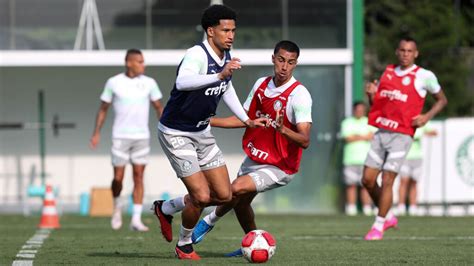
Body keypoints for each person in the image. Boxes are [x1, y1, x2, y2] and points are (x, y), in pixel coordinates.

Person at [150, 5, 267, 260]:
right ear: (210, 31)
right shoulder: (197, 54)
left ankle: (166, 208)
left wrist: (246, 119)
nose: (231, 35)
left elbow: (226, 88)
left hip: (202, 132)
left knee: (225, 195)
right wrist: (218, 75)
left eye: (233, 30)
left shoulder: (226, 55)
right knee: (201, 196)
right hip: (176, 132)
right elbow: (183, 81)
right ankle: (184, 244)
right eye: (226, 30)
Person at [191, 40, 313, 257]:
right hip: (255, 158)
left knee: (235, 189)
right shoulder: (261, 85)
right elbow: (244, 119)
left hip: (280, 166)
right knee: (240, 203)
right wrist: (209, 121)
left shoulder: (299, 95)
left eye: (291, 62)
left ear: (296, 64)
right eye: (281, 60)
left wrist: (283, 129)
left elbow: (304, 140)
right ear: (273, 59)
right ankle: (254, 243)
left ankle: (208, 221)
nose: (285, 67)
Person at [363, 37, 447, 240]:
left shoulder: (424, 76)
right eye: (402, 50)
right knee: (367, 180)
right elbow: (378, 104)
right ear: (397, 52)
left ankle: (378, 225)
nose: (405, 54)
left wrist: (426, 117)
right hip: (382, 131)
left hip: (403, 134)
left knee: (388, 178)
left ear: (416, 53)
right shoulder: (388, 72)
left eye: (410, 51)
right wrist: (371, 95)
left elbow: (442, 100)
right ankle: (389, 215)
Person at [90, 49, 164, 232]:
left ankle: (136, 219)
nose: (143, 65)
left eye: (143, 61)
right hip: (120, 137)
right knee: (118, 178)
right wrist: (96, 133)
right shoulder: (113, 82)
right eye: (139, 61)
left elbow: (159, 107)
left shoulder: (150, 83)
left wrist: (166, 129)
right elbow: (103, 109)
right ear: (128, 62)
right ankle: (117, 207)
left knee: (138, 176)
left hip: (141, 137)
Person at [341, 101, 375, 216]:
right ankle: (351, 208)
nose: (359, 112)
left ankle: (367, 207)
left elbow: (372, 136)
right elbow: (347, 138)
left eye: (362, 109)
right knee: (351, 185)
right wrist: (364, 136)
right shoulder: (347, 122)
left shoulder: (369, 121)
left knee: (366, 185)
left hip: (366, 160)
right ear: (354, 110)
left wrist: (356, 136)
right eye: (357, 109)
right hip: (350, 159)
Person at [397, 123, 437, 216]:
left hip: (417, 157)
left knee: (414, 181)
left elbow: (434, 132)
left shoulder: (419, 122)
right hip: (404, 156)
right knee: (404, 180)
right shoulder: (403, 121)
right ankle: (401, 206)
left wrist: (425, 134)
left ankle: (413, 206)